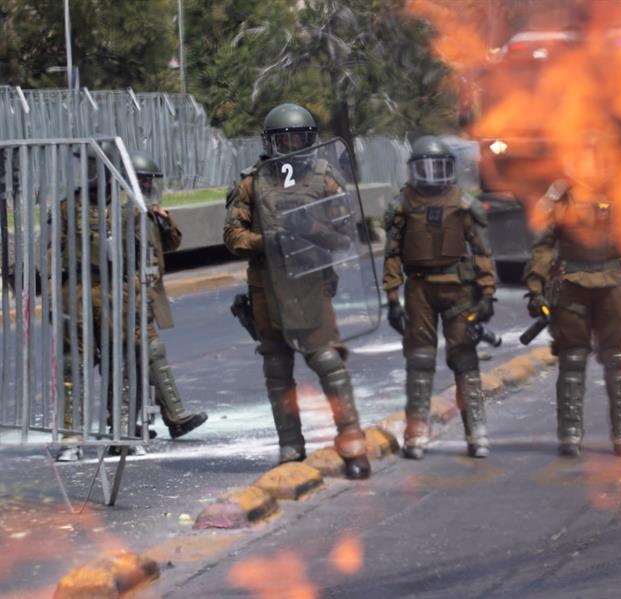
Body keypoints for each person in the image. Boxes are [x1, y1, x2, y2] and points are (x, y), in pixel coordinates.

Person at [223, 103, 371, 479]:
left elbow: (346, 237)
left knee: (328, 364)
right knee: (276, 367)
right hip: (266, 286)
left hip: (310, 283)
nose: (291, 147)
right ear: (270, 143)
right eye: (283, 140)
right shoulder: (251, 182)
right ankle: (291, 446)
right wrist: (266, 241)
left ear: (311, 141)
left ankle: (352, 443)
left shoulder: (326, 179)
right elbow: (232, 236)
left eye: (298, 140)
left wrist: (311, 230)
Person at [382, 135, 497, 460]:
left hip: (458, 289)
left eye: (438, 168)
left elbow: (482, 252)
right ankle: (416, 434)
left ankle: (476, 432)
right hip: (419, 289)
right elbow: (391, 255)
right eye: (425, 168)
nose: (432, 175)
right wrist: (393, 299)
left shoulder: (463, 204)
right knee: (419, 362)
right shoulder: (402, 205)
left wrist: (487, 294)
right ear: (414, 170)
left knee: (464, 359)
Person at [522, 146, 621, 458]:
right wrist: (535, 288)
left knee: (618, 359)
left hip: (613, 285)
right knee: (572, 359)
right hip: (573, 285)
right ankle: (570, 433)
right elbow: (543, 246)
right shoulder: (560, 195)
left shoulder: (620, 193)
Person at [54, 141, 141, 461]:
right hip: (75, 288)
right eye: (84, 166)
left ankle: (121, 430)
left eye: (92, 165)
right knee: (71, 364)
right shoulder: (67, 207)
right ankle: (70, 436)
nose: (86, 172)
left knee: (120, 360)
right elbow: (51, 250)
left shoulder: (127, 207)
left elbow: (143, 253)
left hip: (113, 289)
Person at [130, 150, 208, 439]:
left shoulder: (148, 213)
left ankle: (154, 419)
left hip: (149, 293)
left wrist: (165, 220)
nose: (149, 187)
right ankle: (174, 416)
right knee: (148, 353)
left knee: (140, 358)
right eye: (144, 182)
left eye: (151, 182)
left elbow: (171, 244)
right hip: (129, 296)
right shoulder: (124, 213)